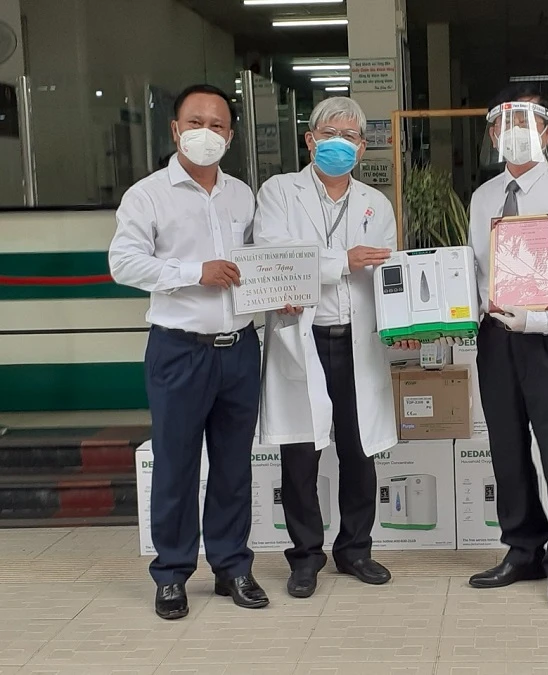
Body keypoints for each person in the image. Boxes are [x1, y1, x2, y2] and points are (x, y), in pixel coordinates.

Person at [109, 84, 268, 620]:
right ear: (176, 129)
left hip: (239, 349)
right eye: (195, 122)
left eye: (217, 125)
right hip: (179, 349)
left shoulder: (242, 195)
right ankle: (172, 573)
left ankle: (232, 566)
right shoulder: (147, 195)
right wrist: (193, 272)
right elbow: (124, 263)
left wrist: (281, 291)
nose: (206, 133)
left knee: (233, 466)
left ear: (231, 135)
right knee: (175, 465)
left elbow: (258, 264)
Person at [254, 97, 415, 599]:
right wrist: (343, 261)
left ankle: (355, 550)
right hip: (302, 339)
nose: (340, 144)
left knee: (358, 450)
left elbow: (385, 271)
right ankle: (305, 557)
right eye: (330, 134)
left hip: (357, 342)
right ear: (310, 140)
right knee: (301, 453)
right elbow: (276, 256)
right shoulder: (279, 192)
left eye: (351, 136)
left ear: (363, 147)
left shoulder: (376, 204)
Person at [465, 84, 548, 608]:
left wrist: (541, 318)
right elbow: (476, 272)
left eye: (526, 122)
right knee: (507, 450)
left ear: (546, 129)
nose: (515, 132)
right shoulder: (482, 197)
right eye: (504, 124)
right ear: (492, 134)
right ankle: (523, 549)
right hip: (496, 338)